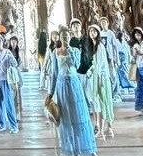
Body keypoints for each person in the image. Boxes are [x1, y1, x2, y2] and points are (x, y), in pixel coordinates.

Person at [46, 25, 97, 155]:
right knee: (66, 116)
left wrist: (70, 51)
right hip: (61, 86)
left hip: (74, 84)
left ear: (70, 37)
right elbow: (54, 73)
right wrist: (51, 92)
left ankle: (84, 148)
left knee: (78, 115)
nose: (65, 38)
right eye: (63, 36)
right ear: (59, 37)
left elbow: (77, 65)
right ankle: (71, 149)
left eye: (67, 36)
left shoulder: (75, 50)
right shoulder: (55, 52)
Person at [85, 24, 115, 139]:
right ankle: (102, 128)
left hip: (101, 77)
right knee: (97, 102)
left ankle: (105, 129)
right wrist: (89, 71)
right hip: (94, 76)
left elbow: (102, 64)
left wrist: (101, 77)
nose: (92, 33)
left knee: (104, 101)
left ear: (98, 33)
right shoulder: (91, 46)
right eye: (90, 31)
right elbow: (92, 63)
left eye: (94, 31)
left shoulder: (100, 46)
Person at [0, 35, 19, 133]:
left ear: (3, 42)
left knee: (9, 103)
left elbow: (15, 64)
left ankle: (14, 126)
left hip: (6, 81)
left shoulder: (8, 52)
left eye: (0, 40)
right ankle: (1, 125)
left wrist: (10, 58)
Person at [98, 17, 120, 99]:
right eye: (102, 23)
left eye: (104, 22)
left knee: (113, 75)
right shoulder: (99, 33)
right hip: (103, 58)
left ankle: (116, 93)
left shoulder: (110, 33)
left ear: (107, 23)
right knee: (106, 76)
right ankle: (109, 93)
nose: (103, 24)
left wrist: (116, 58)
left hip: (111, 57)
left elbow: (115, 47)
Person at [8, 34, 23, 114]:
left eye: (15, 42)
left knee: (18, 90)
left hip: (16, 73)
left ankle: (19, 107)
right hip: (10, 73)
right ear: (10, 43)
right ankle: (13, 108)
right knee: (12, 91)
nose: (13, 44)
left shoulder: (17, 51)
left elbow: (19, 62)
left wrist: (18, 64)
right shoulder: (8, 51)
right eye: (12, 42)